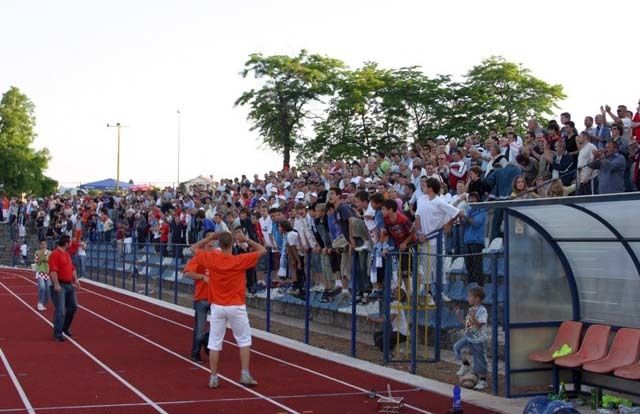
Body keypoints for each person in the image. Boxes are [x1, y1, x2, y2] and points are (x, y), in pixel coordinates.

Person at [183, 231, 266, 389]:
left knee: (215, 343)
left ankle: (213, 377)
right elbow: (262, 250)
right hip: (236, 305)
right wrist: (246, 239)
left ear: (218, 244)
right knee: (243, 341)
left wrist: (209, 238)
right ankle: (245, 373)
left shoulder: (212, 259)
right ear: (232, 244)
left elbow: (192, 248)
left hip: (218, 306)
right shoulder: (239, 260)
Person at [184, 231, 216, 363]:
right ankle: (196, 352)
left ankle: (208, 343)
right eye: (208, 243)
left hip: (216, 298)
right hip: (202, 298)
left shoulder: (218, 256)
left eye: (213, 243)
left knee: (217, 328)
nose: (211, 245)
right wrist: (202, 277)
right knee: (200, 329)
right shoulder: (198, 257)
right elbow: (187, 273)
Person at [454, 286, 488, 391]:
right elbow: (467, 325)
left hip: (478, 339)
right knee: (457, 347)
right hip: (468, 337)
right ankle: (466, 365)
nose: (468, 298)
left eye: (470, 296)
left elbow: (478, 326)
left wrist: (473, 317)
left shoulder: (483, 310)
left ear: (477, 298)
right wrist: (459, 317)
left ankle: (482, 380)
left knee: (479, 360)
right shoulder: (470, 309)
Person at [48, 235, 80, 342]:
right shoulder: (55, 254)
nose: (70, 244)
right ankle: (57, 333)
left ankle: (65, 327)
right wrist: (56, 285)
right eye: (69, 242)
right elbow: (53, 271)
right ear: (66, 243)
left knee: (73, 306)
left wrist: (76, 279)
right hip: (60, 285)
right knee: (60, 310)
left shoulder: (66, 254)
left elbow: (72, 268)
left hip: (69, 284)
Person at [367, 287, 408, 356]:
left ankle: (389, 352)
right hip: (396, 331)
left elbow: (389, 319)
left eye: (396, 293)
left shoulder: (396, 304)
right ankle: (388, 351)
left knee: (380, 340)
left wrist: (373, 319)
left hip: (400, 332)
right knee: (377, 335)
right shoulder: (394, 304)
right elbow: (386, 317)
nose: (394, 293)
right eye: (394, 292)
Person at [34, 240, 51, 311]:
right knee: (42, 287)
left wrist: (46, 258)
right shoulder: (37, 252)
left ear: (46, 245)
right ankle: (40, 303)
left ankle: (43, 303)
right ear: (40, 245)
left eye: (45, 244)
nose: (43, 246)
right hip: (40, 272)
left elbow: (50, 261)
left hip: (48, 273)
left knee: (48, 290)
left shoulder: (50, 252)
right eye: (42, 244)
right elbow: (37, 262)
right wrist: (42, 257)